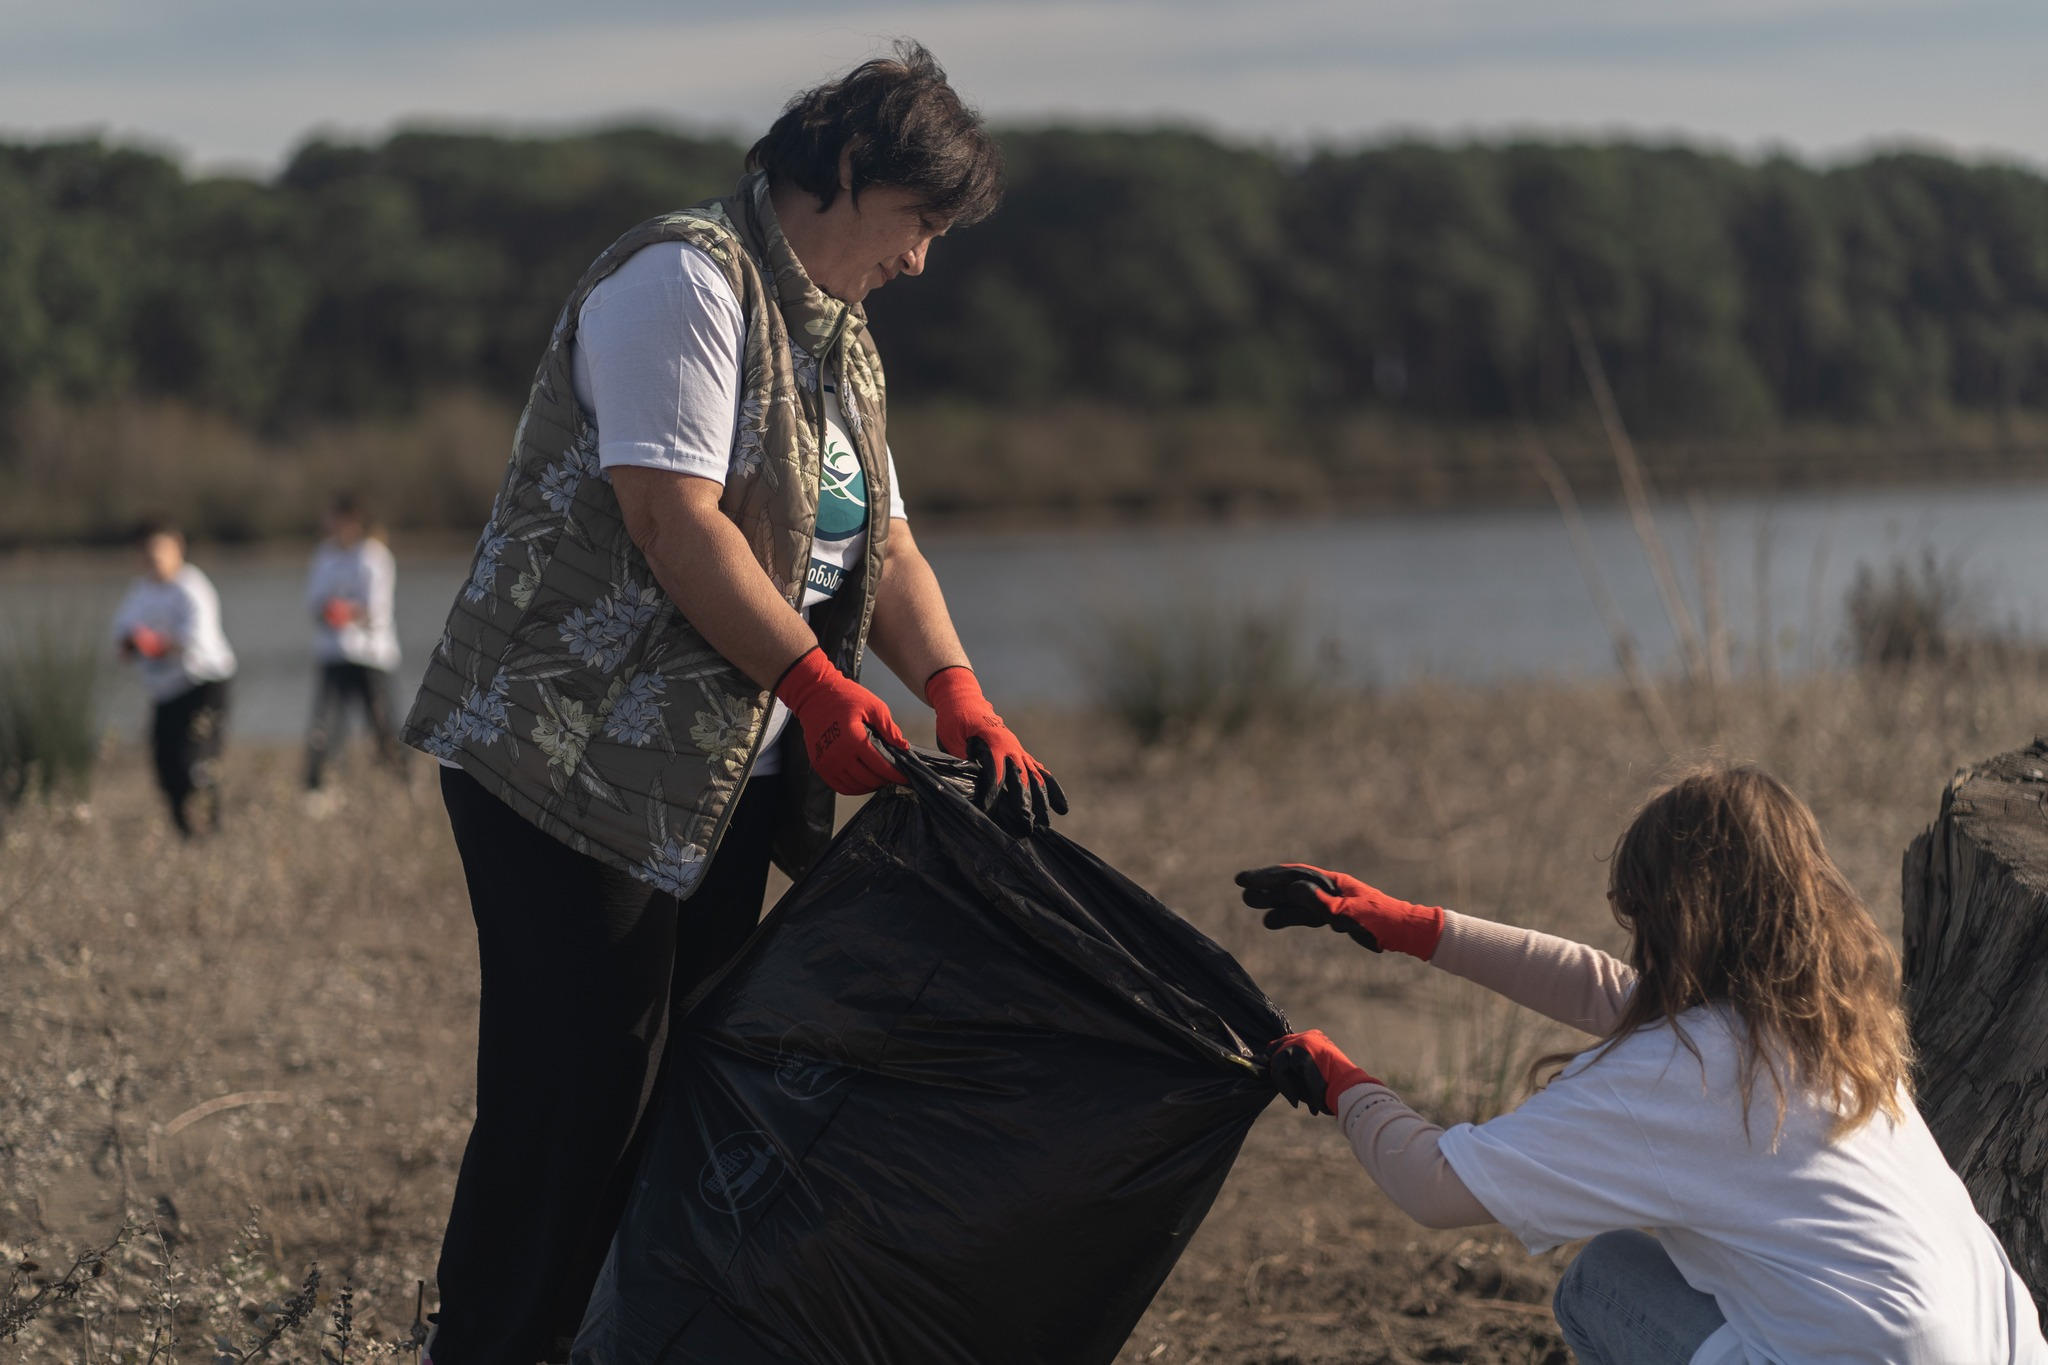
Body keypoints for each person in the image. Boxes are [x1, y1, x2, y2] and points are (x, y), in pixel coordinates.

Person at [401, 42, 1061, 1365]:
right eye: (920, 223)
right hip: (565, 764)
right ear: (852, 170)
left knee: (675, 1091)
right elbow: (671, 519)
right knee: (572, 1098)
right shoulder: (685, 279)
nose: (924, 259)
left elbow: (892, 550)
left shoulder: (839, 339)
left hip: (715, 781)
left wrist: (956, 690)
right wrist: (815, 682)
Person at [1241, 763, 2048, 1365]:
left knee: (1604, 1280)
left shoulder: (1671, 1076)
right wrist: (1409, 924)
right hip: (2005, 1343)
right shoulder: (1830, 1023)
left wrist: (1339, 1080)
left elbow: (1434, 1187)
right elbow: (1614, 991)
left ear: (1675, 921)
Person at [109, 519, 237, 838]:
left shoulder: (192, 588)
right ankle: (187, 836)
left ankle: (213, 832)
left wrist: (152, 643)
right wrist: (131, 644)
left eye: (158, 550)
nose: (153, 559)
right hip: (165, 692)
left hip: (204, 684)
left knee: (198, 763)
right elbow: (121, 637)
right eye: (145, 552)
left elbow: (193, 641)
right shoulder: (139, 591)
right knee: (166, 769)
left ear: (176, 545)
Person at [303, 495, 402, 792]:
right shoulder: (324, 555)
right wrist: (329, 611)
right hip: (333, 654)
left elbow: (376, 609)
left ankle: (401, 781)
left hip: (371, 655)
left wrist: (345, 611)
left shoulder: (374, 556)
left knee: (382, 724)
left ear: (350, 522)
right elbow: (314, 602)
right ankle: (319, 788)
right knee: (324, 726)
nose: (327, 525)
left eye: (333, 519)